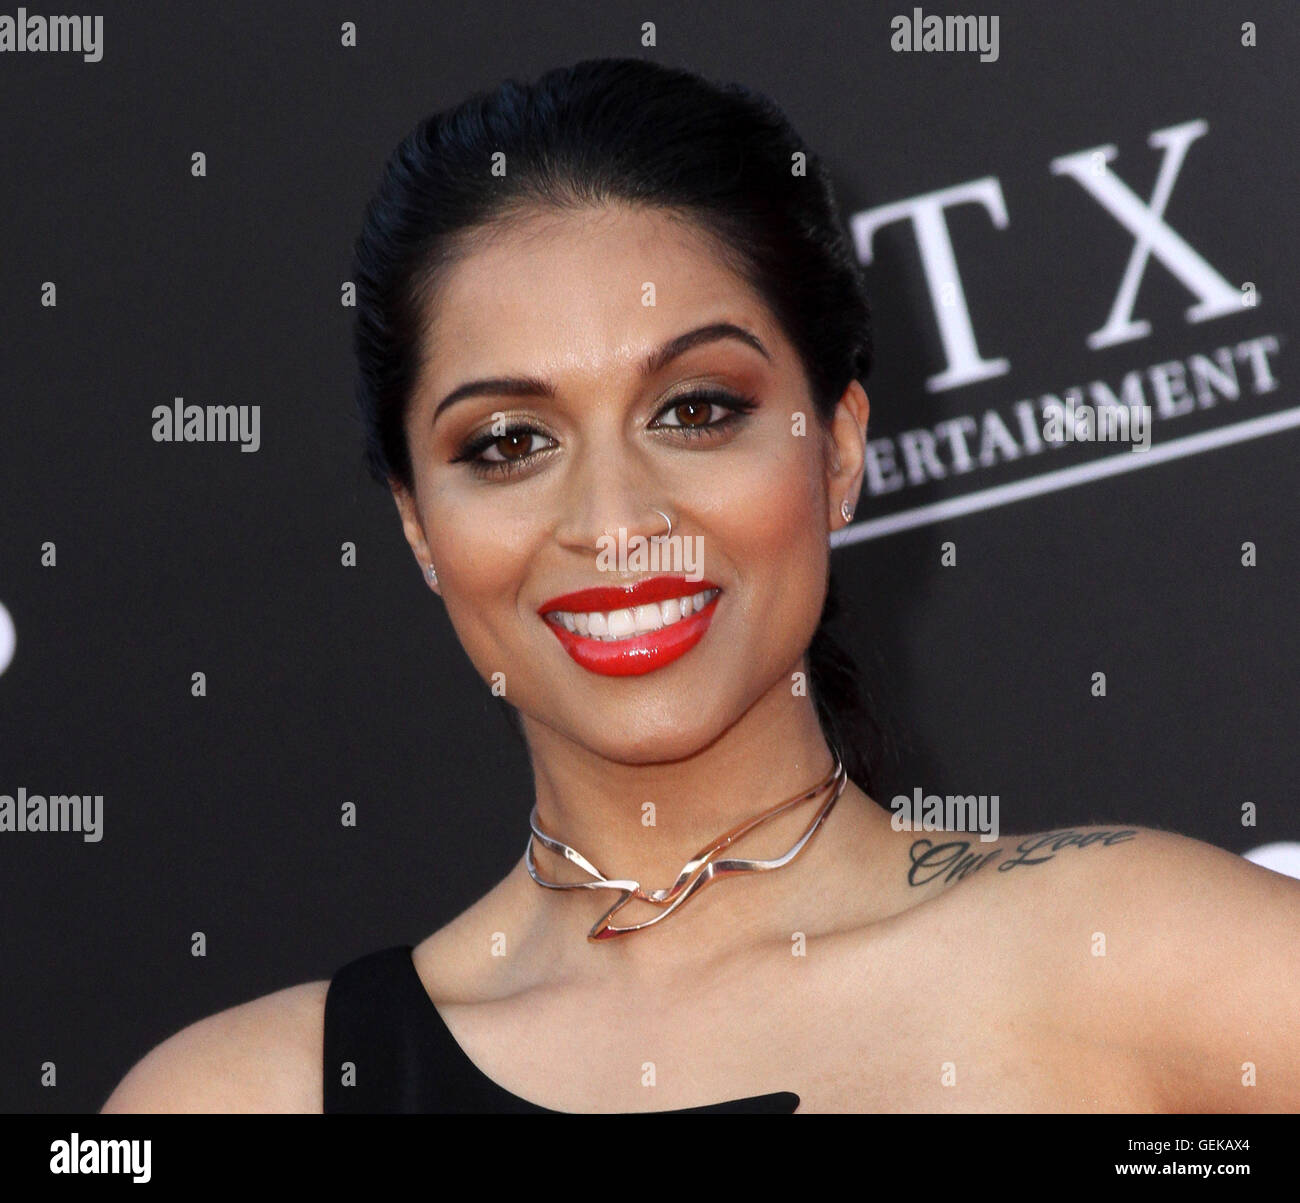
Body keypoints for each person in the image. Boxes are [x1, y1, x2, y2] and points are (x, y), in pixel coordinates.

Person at [102, 57, 1300, 1114]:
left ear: (835, 450)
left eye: (696, 410)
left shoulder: (1143, 962)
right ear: (418, 524)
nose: (616, 525)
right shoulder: (245, 1098)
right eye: (508, 443)